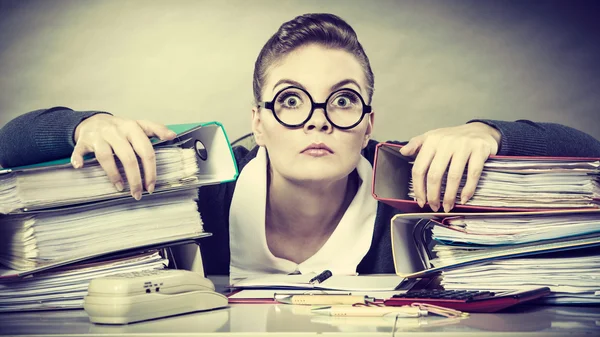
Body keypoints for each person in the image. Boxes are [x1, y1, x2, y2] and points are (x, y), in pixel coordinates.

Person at [1, 13, 600, 279]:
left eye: (342, 100)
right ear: (257, 123)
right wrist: (84, 125)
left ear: (368, 122)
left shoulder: (414, 199)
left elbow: (585, 152)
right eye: (290, 101)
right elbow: (9, 146)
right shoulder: (197, 193)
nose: (318, 122)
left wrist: (488, 132)